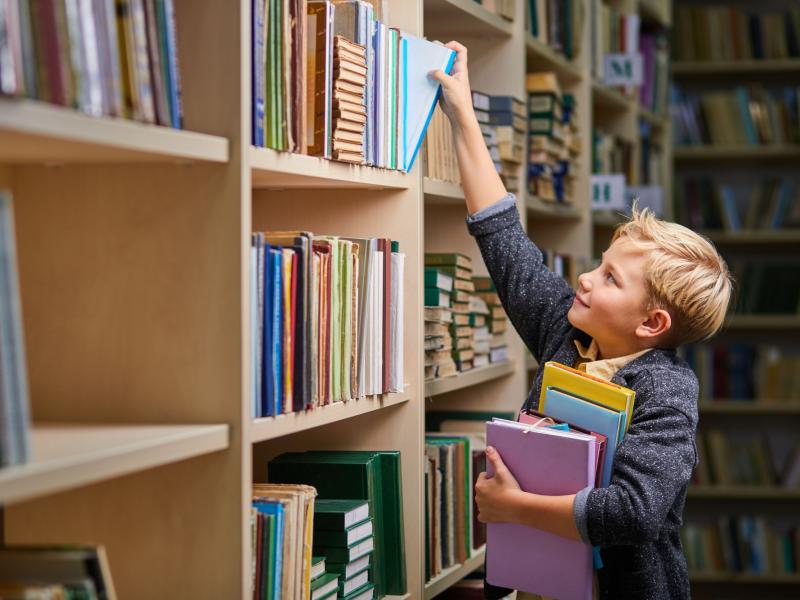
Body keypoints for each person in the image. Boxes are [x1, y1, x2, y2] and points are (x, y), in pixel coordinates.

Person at [430, 41, 733, 599]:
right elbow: (504, 241)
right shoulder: (568, 333)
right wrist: (462, 112)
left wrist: (513, 507)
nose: (587, 278)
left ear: (651, 324)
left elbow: (634, 512)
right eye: (599, 264)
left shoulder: (667, 391)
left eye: (611, 278)